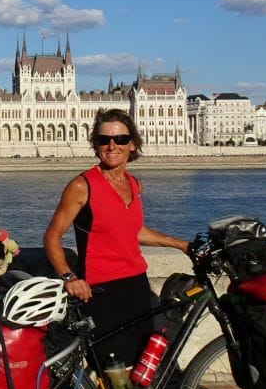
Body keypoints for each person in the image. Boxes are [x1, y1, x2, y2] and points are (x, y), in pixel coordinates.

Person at [43, 108, 191, 367]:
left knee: (141, 363)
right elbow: (52, 237)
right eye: (104, 140)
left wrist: (181, 244)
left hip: (136, 285)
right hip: (101, 291)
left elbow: (133, 231)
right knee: (112, 370)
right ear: (96, 145)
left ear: (132, 144)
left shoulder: (134, 184)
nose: (112, 146)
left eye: (120, 139)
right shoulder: (82, 186)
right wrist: (69, 277)